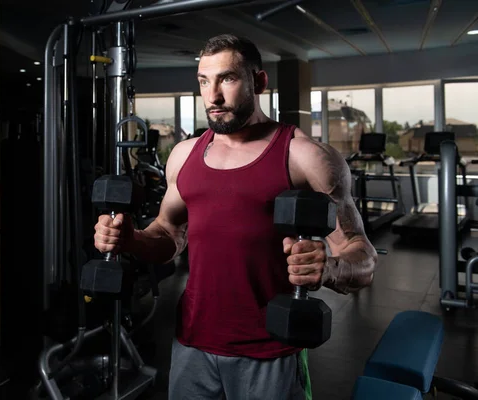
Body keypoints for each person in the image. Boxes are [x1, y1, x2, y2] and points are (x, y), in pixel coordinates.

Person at [94, 34, 377, 400]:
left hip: (270, 349)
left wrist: (329, 269)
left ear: (258, 82)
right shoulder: (184, 156)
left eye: (227, 78)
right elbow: (169, 235)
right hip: (191, 343)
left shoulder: (306, 157)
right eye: (203, 82)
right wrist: (129, 239)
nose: (212, 96)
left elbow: (363, 257)